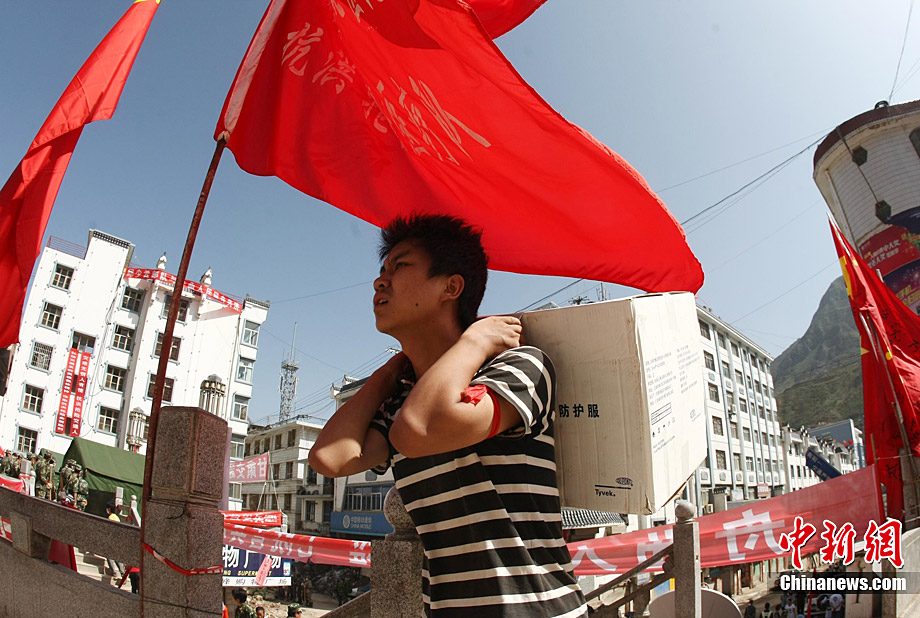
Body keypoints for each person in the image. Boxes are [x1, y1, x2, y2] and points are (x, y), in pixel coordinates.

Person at [309, 214, 588, 617]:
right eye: (382, 270)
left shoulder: (518, 366)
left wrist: (475, 340)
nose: (379, 282)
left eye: (400, 266)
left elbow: (419, 430)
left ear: (451, 287)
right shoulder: (401, 399)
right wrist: (387, 375)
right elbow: (330, 458)